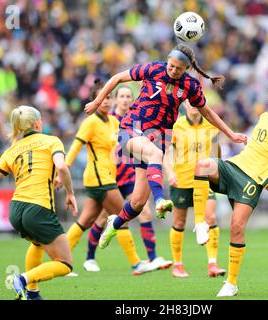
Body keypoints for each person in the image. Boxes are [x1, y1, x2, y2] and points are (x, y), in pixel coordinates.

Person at [84, 43, 247, 250]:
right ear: (167, 60)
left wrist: (230, 134)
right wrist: (97, 101)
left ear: (186, 69)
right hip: (133, 127)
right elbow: (117, 78)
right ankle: (161, 199)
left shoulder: (190, 86)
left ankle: (114, 224)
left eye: (178, 69)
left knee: (137, 203)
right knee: (155, 154)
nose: (172, 70)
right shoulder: (153, 69)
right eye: (171, 65)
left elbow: (207, 112)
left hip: (157, 137)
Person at [191, 78, 268, 297]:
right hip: (235, 166)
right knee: (203, 165)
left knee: (236, 227)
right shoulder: (265, 116)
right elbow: (261, 153)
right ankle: (200, 223)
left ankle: (231, 283)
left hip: (252, 181)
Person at [0, 105, 78, 300]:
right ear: (37, 123)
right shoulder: (51, 141)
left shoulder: (12, 150)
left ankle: (33, 294)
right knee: (65, 263)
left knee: (37, 244)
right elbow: (61, 165)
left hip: (16, 210)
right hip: (38, 209)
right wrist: (70, 193)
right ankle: (22, 279)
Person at [59, 80, 154, 275]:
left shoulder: (114, 122)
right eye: (101, 98)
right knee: (123, 216)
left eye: (108, 97)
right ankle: (136, 262)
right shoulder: (90, 122)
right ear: (95, 101)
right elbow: (76, 147)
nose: (105, 101)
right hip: (99, 178)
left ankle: (60, 260)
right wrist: (63, 171)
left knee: (84, 221)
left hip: (108, 177)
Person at [84, 85, 172, 272]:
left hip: (131, 175)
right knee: (101, 218)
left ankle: (153, 257)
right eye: (122, 96)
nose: (125, 99)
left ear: (133, 100)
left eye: (128, 96)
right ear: (116, 99)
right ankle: (90, 258)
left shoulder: (137, 121)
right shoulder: (110, 121)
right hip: (112, 176)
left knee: (144, 211)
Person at [164, 100, 226, 278]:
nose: (193, 105)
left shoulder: (211, 125)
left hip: (205, 179)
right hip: (182, 179)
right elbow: (166, 153)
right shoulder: (176, 125)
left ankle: (212, 264)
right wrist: (169, 173)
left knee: (211, 217)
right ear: (185, 105)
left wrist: (218, 171)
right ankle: (178, 265)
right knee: (179, 223)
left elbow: (216, 151)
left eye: (196, 102)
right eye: (189, 103)